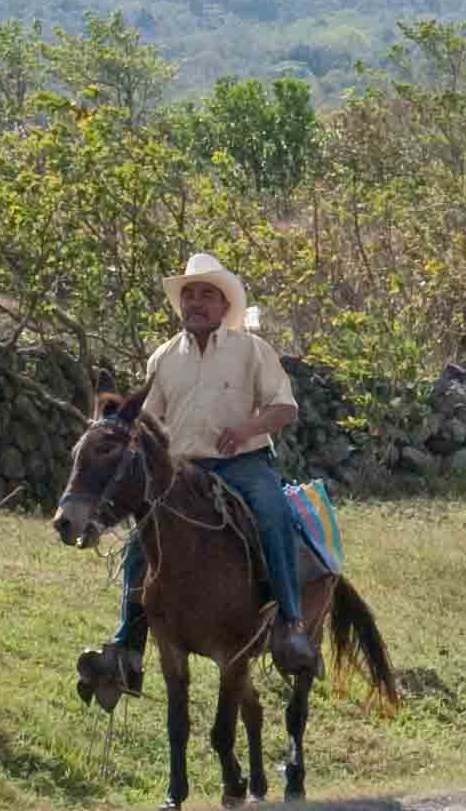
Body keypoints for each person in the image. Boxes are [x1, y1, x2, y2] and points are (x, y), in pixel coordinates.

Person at [99, 252, 320, 685]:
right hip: (183, 469)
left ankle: (290, 625)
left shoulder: (251, 350)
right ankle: (129, 644)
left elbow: (284, 407)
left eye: (206, 295)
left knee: (273, 512)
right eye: (189, 296)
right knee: (141, 539)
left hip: (244, 463)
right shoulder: (162, 358)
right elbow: (151, 421)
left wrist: (246, 429)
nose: (196, 303)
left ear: (224, 306)